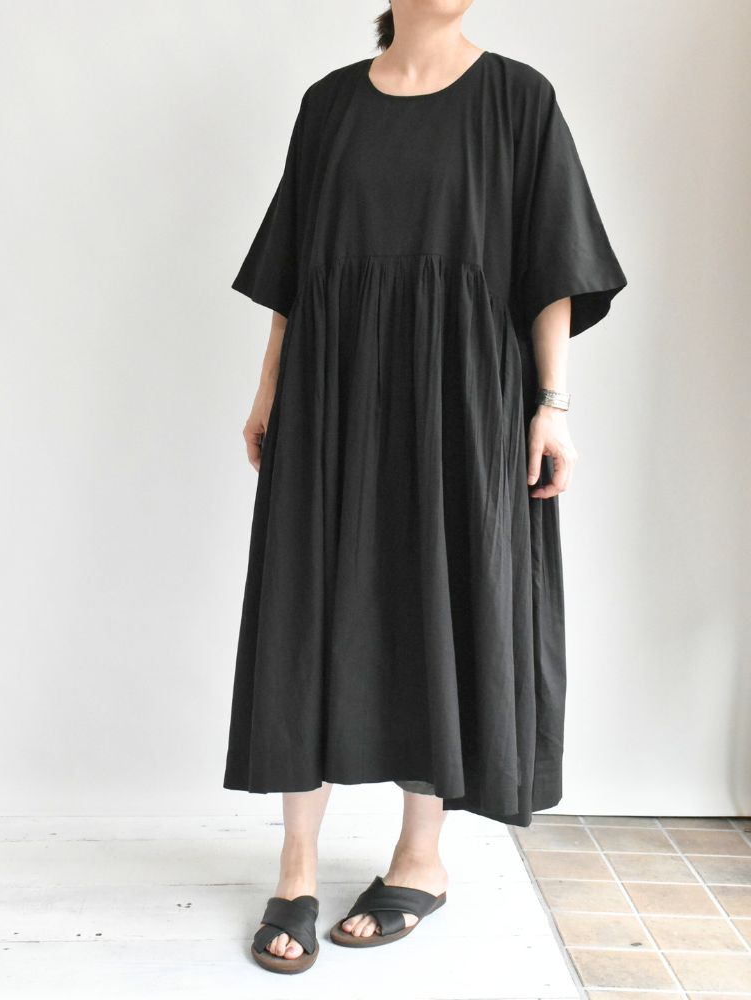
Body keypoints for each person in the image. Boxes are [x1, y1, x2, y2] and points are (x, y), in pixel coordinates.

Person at [224, 0, 627, 975]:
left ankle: (420, 858)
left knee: (436, 598)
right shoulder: (328, 105)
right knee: (308, 606)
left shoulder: (518, 101)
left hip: (462, 396)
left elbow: (551, 271)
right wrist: (269, 387)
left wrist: (552, 406)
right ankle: (295, 868)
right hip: (332, 388)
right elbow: (293, 274)